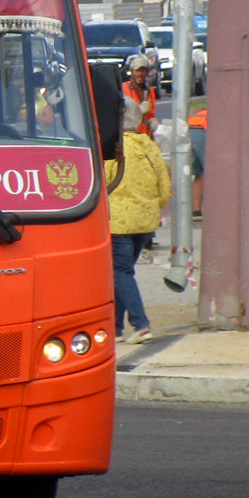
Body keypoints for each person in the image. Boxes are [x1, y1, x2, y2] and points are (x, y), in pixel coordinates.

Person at [106, 95, 171, 344]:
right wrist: (154, 205)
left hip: (119, 221)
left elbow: (104, 179)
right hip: (145, 222)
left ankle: (140, 323)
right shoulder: (148, 145)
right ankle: (115, 328)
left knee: (120, 272)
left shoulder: (113, 146)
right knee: (123, 273)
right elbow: (164, 185)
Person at [122, 55, 157, 135]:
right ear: (131, 72)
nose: (140, 74)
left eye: (143, 71)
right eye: (137, 71)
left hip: (146, 136)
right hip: (130, 136)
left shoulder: (150, 92)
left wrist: (152, 120)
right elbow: (121, 115)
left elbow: (150, 114)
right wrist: (138, 110)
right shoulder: (123, 88)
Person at [188, 105, 207, 220]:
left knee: (199, 172)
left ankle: (196, 210)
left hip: (189, 130)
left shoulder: (203, 112)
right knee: (212, 172)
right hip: (202, 132)